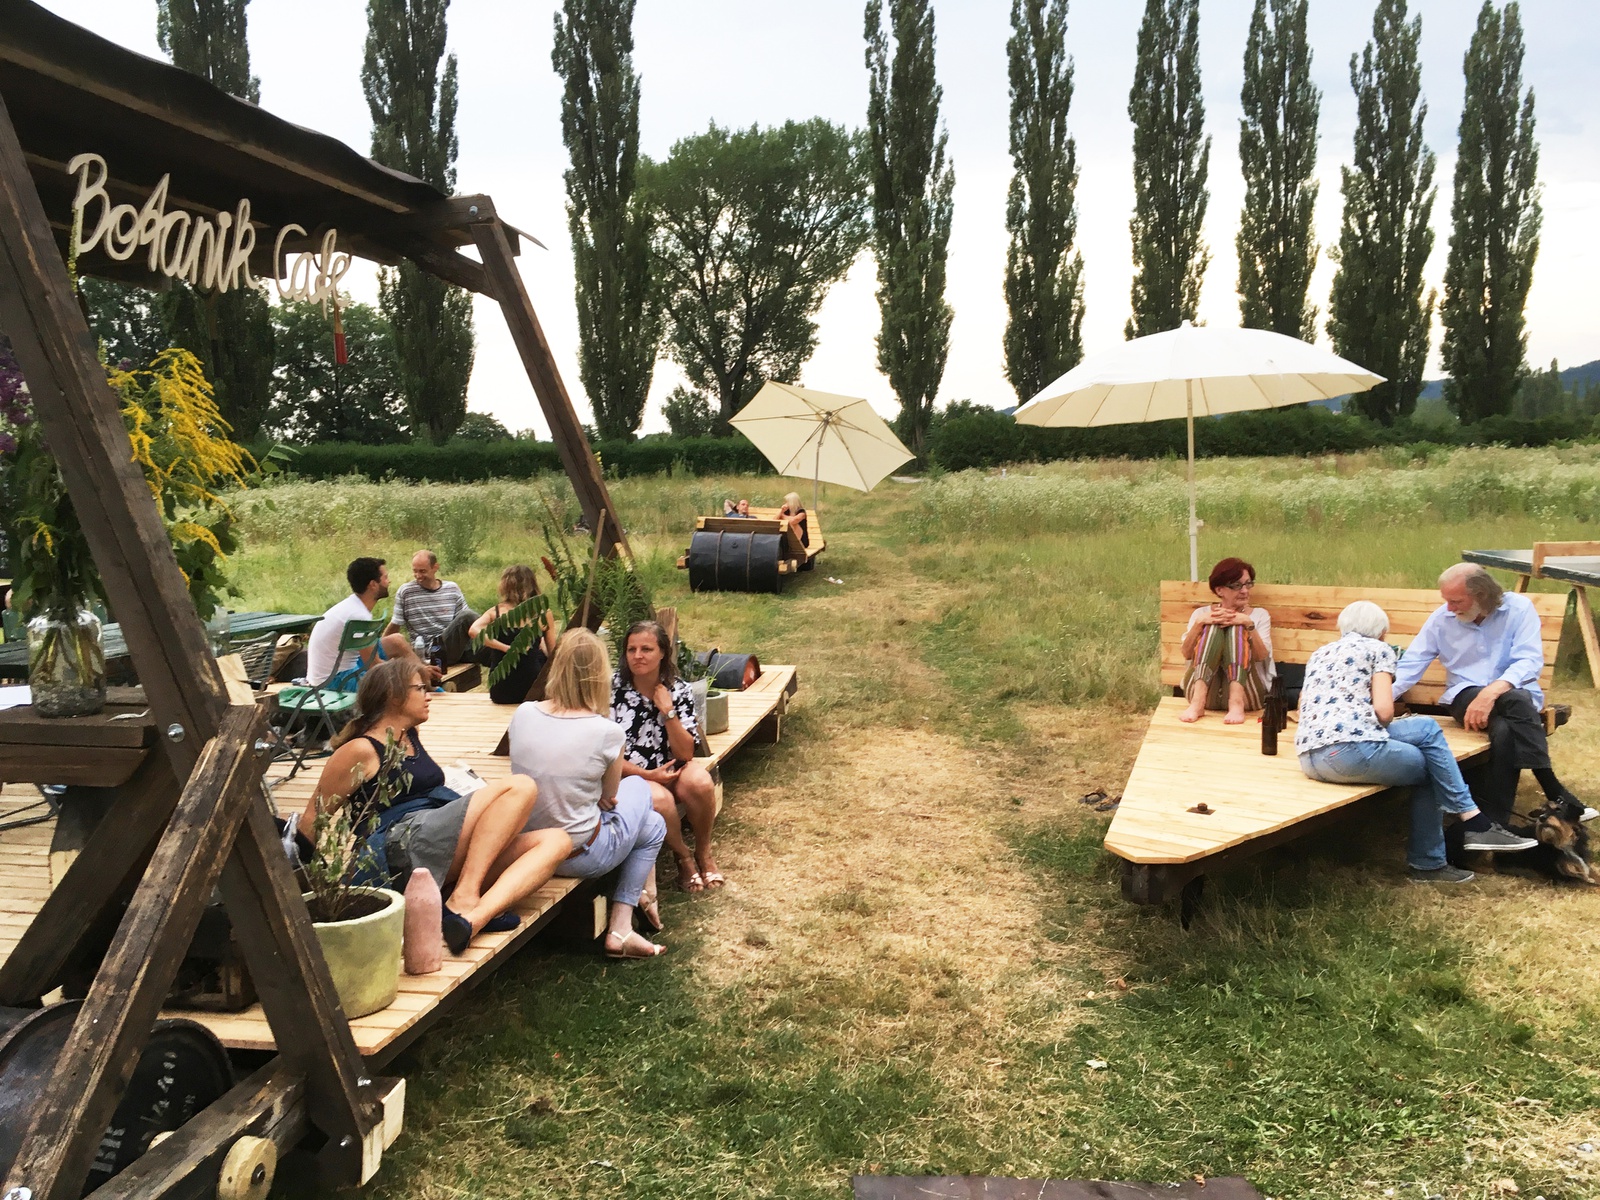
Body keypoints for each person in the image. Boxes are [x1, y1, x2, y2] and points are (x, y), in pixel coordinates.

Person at [305, 658, 570, 953]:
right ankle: (464, 895)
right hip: (400, 845)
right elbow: (312, 817)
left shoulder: (409, 735)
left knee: (557, 841)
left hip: (434, 838)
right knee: (520, 786)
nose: (429, 695)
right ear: (394, 696)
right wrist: (313, 889)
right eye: (420, 688)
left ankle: (472, 920)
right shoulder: (361, 749)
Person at [1296, 601, 1537, 884]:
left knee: (1424, 732)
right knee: (1432, 758)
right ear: (1383, 632)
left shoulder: (1320, 653)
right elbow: (1384, 711)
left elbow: (1302, 706)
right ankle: (1443, 850)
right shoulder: (1379, 650)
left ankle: (1471, 822)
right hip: (1350, 753)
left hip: (1311, 757)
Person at [1394, 562, 1592, 828]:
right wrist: (1379, 699)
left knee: (1505, 728)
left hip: (1515, 698)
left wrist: (1491, 692)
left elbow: (1529, 661)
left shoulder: (1519, 610)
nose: (1449, 608)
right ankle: (1552, 786)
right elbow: (1412, 663)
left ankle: (1494, 823)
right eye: (1447, 600)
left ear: (1482, 595)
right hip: (1465, 698)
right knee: (1516, 700)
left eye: (1456, 601)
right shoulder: (1442, 620)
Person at [509, 628, 668, 959]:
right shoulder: (607, 732)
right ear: (599, 674)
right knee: (643, 795)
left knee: (652, 824)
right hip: (580, 854)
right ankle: (627, 918)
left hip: (528, 845)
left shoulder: (523, 713)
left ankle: (622, 929)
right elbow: (610, 796)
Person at [612, 620, 721, 891]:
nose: (637, 656)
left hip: (674, 766)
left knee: (700, 782)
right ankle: (683, 856)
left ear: (663, 652)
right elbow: (605, 755)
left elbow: (686, 752)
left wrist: (668, 712)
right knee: (658, 798)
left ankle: (703, 852)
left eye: (646, 649)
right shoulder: (611, 690)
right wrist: (648, 775)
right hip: (632, 774)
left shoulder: (678, 689)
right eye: (631, 649)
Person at [302, 557, 433, 686]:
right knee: (402, 684)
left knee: (397, 641)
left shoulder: (353, 606)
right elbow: (373, 665)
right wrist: (411, 671)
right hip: (335, 681)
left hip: (341, 668)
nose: (389, 581)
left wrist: (418, 669)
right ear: (373, 585)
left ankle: (427, 683)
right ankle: (426, 686)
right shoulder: (358, 616)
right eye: (385, 578)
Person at [1179, 556, 1274, 724]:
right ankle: (1197, 703)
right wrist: (1200, 623)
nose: (1244, 591)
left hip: (1247, 695)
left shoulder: (1260, 615)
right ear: (1219, 590)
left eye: (1248, 584)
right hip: (1205, 694)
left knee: (1237, 627)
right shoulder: (1201, 614)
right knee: (1212, 626)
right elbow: (1186, 654)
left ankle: (1236, 703)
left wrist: (1248, 624)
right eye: (1236, 586)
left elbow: (1261, 656)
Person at [469, 564, 558, 705]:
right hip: (532, 688)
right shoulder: (542, 613)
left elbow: (473, 630)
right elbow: (553, 652)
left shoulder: (497, 612)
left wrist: (505, 648)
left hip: (501, 690)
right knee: (538, 651)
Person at [385, 549, 476, 667]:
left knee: (493, 652)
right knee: (467, 616)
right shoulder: (406, 592)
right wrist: (379, 650)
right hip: (432, 652)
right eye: (415, 571)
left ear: (435, 567)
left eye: (423, 571)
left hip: (456, 648)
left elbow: (467, 625)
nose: (418, 576)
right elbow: (395, 624)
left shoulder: (452, 589)